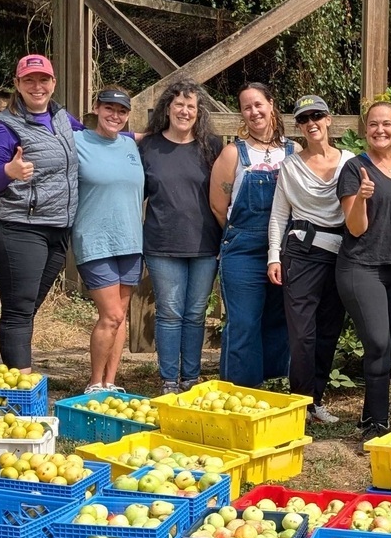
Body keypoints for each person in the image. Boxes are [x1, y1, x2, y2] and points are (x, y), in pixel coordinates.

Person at [0, 54, 81, 371]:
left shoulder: (62, 117)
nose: (37, 86)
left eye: (43, 79)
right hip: (18, 228)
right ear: (17, 84)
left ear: (53, 82)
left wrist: (138, 139)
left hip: (56, 229)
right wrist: (9, 170)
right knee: (19, 309)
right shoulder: (4, 126)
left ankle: (16, 377)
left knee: (28, 306)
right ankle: (21, 384)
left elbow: (93, 140)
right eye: (29, 80)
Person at [336, 100, 391, 438]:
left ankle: (367, 416)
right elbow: (355, 228)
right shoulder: (354, 170)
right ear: (365, 130)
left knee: (388, 344)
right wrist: (361, 197)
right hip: (362, 267)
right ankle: (379, 425)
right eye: (373, 124)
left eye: (387, 124)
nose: (380, 130)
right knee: (376, 342)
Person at [267, 95, 354, 424]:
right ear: (299, 127)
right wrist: (273, 257)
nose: (312, 123)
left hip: (341, 253)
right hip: (300, 252)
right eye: (304, 119)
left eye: (317, 115)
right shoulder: (290, 166)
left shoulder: (350, 161)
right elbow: (278, 215)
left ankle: (316, 401)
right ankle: (300, 403)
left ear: (329, 119)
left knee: (329, 330)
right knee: (301, 333)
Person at [141, 79, 222, 395]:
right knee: (170, 313)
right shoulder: (149, 146)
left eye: (191, 106)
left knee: (195, 313)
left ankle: (191, 378)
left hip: (205, 244)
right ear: (168, 108)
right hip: (162, 244)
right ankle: (169, 381)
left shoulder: (212, 146)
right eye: (179, 105)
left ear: (198, 111)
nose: (185, 111)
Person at [211, 82, 294, 387]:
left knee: (278, 320)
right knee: (244, 322)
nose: (254, 111)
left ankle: (272, 385)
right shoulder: (234, 153)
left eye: (258, 104)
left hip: (284, 249)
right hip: (243, 250)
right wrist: (242, 236)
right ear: (242, 114)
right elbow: (219, 206)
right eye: (247, 107)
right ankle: (240, 389)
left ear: (271, 105)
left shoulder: (293, 151)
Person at [72, 87, 141, 393]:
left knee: (120, 316)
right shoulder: (77, 141)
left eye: (122, 111)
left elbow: (163, 135)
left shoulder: (130, 145)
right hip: (95, 240)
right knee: (110, 315)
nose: (115, 116)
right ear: (96, 109)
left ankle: (110, 382)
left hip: (131, 240)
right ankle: (93, 384)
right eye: (109, 109)